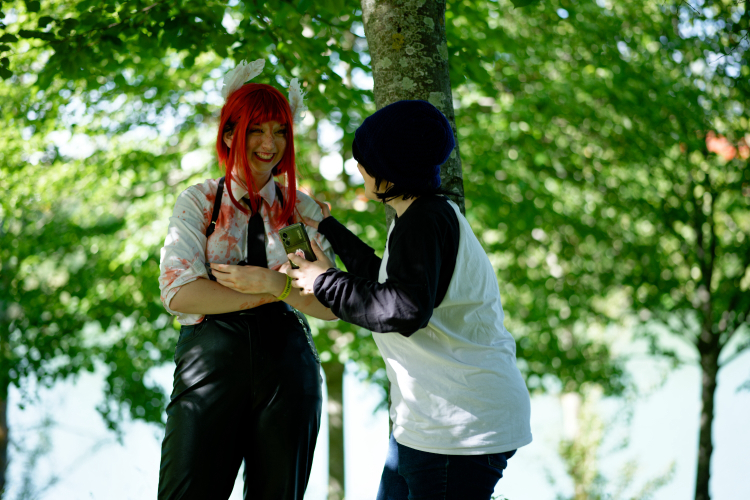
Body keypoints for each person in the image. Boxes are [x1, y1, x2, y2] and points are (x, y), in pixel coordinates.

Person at [286, 100, 533, 500]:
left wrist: (324, 281)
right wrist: (328, 227)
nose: (359, 168)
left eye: (365, 161)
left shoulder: (423, 220)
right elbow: (391, 282)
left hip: (458, 430)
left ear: (389, 169)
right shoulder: (424, 214)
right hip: (428, 425)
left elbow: (402, 310)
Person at [157, 59, 336, 500]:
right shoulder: (199, 201)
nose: (269, 144)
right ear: (229, 134)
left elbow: (330, 304)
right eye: (256, 130)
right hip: (210, 365)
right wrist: (275, 290)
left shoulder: (303, 209)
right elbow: (180, 293)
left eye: (279, 131)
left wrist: (270, 284)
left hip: (289, 368)